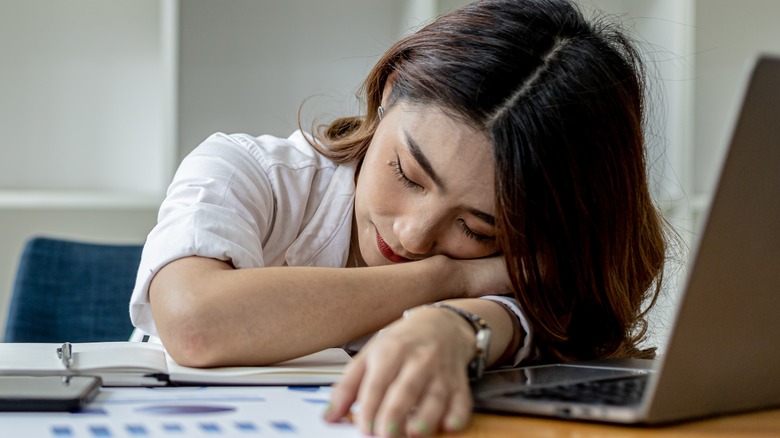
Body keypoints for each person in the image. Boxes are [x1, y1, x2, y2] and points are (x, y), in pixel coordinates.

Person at [129, 0, 670, 436]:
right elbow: (195, 324)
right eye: (408, 174)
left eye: (478, 229)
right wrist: (449, 277)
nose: (412, 234)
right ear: (389, 91)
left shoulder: (524, 277)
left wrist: (456, 325)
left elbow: (522, 324)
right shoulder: (247, 171)